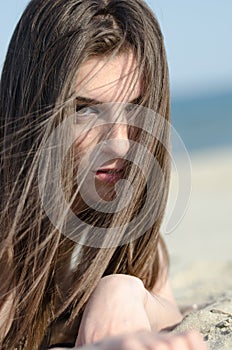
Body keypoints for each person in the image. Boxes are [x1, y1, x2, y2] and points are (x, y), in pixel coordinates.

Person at [0, 0, 207, 349]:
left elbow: (164, 300)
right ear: (35, 111)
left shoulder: (117, 215)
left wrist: (122, 291)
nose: (122, 146)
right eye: (85, 110)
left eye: (136, 108)